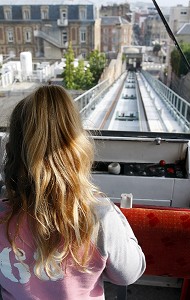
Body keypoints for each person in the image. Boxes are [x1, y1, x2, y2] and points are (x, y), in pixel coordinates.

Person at [0, 85, 145, 300]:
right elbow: (128, 274)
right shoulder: (100, 217)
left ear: (12, 150)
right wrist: (117, 217)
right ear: (78, 148)